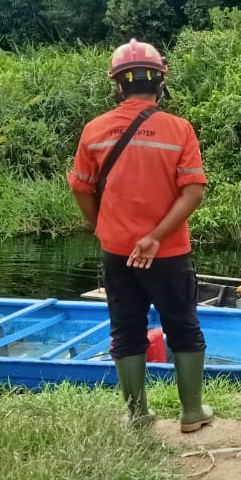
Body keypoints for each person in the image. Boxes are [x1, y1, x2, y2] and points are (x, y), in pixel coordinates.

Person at [69, 38, 213, 432]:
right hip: (167, 252)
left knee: (125, 328)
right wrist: (155, 236)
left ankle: (138, 415)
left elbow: (81, 187)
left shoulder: (94, 130)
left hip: (116, 251)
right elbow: (194, 191)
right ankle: (191, 413)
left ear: (117, 85)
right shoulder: (178, 129)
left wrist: (102, 226)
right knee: (182, 324)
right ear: (159, 82)